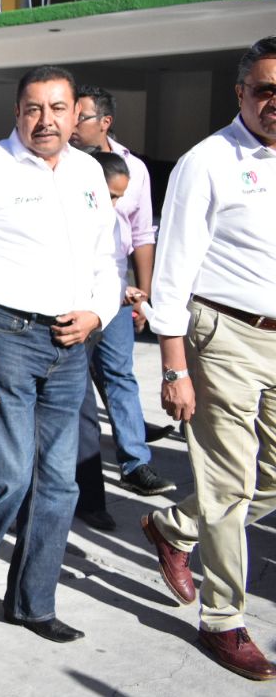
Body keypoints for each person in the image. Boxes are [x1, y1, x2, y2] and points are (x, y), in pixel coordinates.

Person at [0, 65, 119, 644]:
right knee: (9, 476)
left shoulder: (89, 171)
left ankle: (33, 603)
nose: (46, 120)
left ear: (76, 115)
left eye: (59, 108)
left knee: (60, 484)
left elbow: (105, 261)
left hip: (70, 343)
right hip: (5, 340)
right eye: (34, 108)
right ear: (17, 113)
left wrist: (98, 313)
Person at [140, 36, 276, 681]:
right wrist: (173, 365)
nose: (275, 103)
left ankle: (173, 526)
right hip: (224, 335)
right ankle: (225, 620)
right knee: (228, 483)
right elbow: (173, 268)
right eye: (265, 90)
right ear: (241, 93)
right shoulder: (209, 161)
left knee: (268, 479)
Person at [70, 85, 175, 507]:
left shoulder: (134, 170)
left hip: (114, 291)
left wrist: (143, 294)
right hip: (70, 294)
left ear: (105, 122)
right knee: (75, 390)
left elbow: (141, 234)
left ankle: (134, 464)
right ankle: (83, 482)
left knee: (119, 374)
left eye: (80, 117)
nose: (70, 126)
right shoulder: (62, 165)